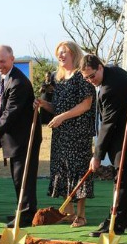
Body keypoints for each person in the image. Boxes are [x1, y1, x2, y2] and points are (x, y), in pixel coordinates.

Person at [81, 54, 127, 237]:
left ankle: (116, 223)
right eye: (87, 78)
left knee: (121, 178)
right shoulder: (114, 71)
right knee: (125, 176)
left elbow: (107, 124)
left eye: (92, 76)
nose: (91, 81)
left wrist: (97, 155)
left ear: (99, 67)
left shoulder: (109, 89)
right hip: (126, 132)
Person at [37, 41, 95, 228]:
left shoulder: (81, 76)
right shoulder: (58, 79)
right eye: (58, 53)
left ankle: (82, 215)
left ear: (74, 54)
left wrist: (62, 116)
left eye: (64, 53)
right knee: (62, 169)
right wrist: (44, 105)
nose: (61, 56)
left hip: (78, 132)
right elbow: (58, 107)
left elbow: (86, 104)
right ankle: (68, 212)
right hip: (61, 132)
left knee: (78, 170)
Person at [0, 45, 41, 228]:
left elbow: (11, 113)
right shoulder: (6, 79)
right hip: (14, 138)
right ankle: (24, 210)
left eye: (2, 61)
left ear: (12, 59)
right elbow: (7, 107)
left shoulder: (18, 82)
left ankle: (25, 214)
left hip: (24, 138)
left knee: (23, 177)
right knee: (18, 177)